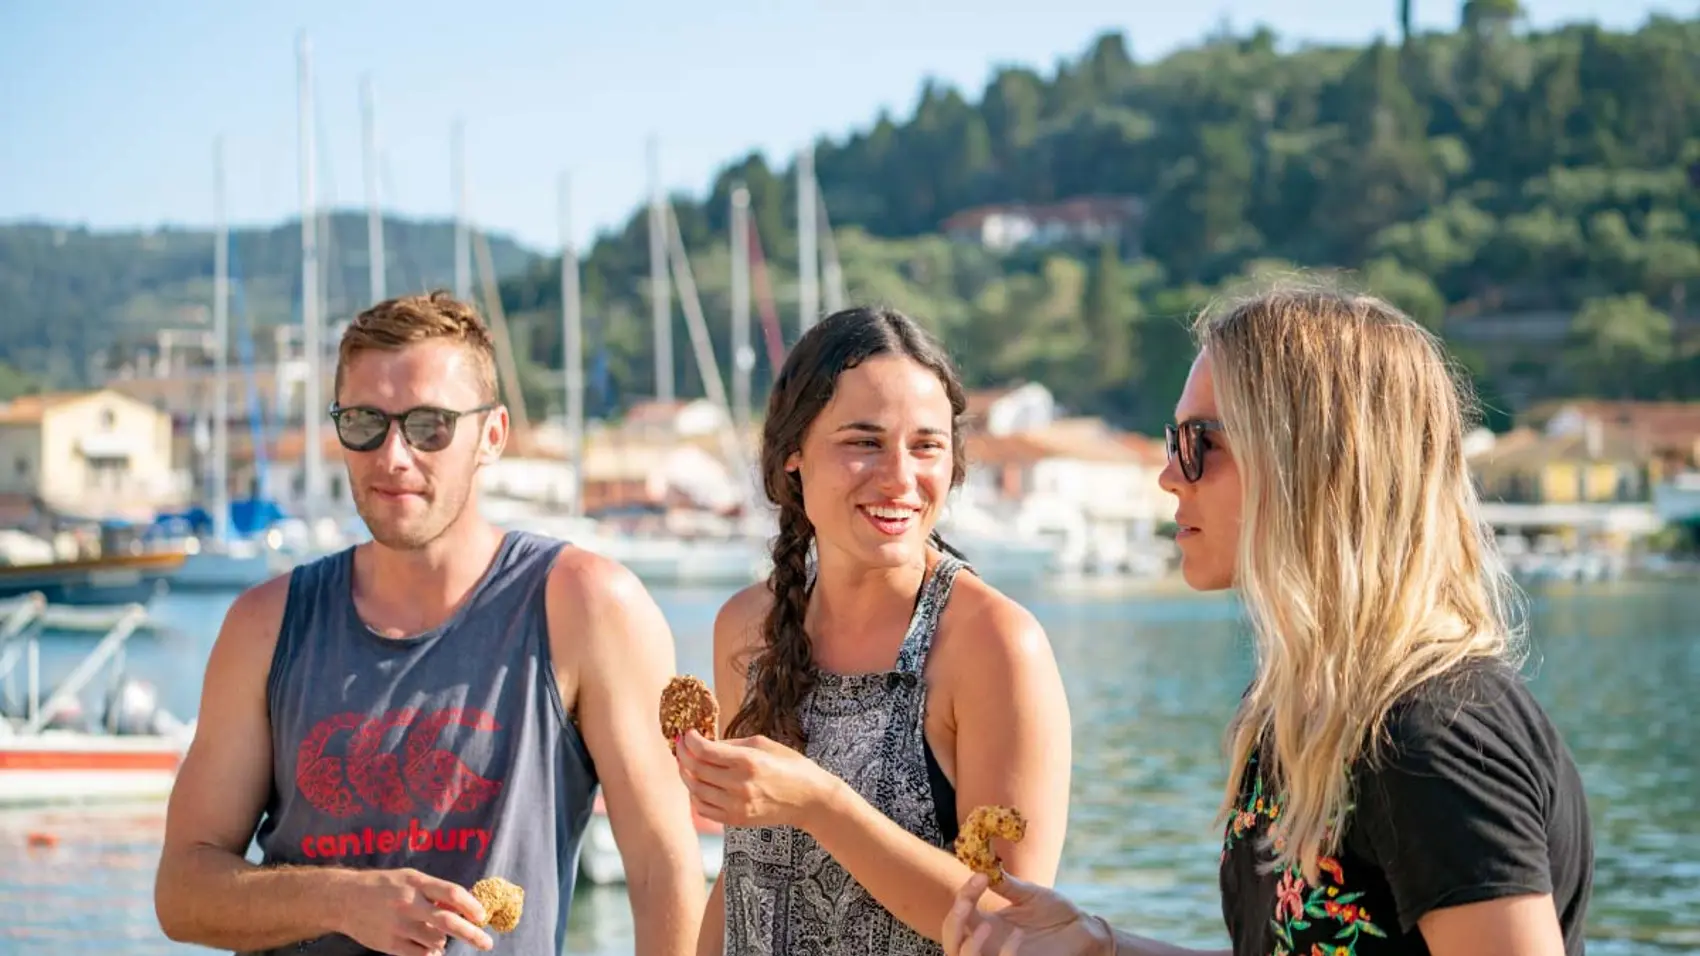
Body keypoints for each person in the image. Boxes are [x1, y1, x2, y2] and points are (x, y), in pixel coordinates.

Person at [941, 285, 1594, 956]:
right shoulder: (1304, 716)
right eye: (1173, 440)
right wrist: (1099, 947)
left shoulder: (1432, 737)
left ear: (1313, 459)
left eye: (1200, 443)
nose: (1169, 475)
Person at [154, 291, 707, 956]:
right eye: (364, 422)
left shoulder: (587, 606)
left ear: (492, 435)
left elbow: (663, 870)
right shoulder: (264, 626)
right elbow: (183, 890)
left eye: (430, 425)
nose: (393, 456)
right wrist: (344, 900)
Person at [673, 306, 1074, 955]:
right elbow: (744, 876)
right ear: (794, 454)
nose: (899, 478)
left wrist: (820, 804)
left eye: (926, 446)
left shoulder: (993, 644)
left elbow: (1013, 928)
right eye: (864, 442)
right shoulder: (746, 628)